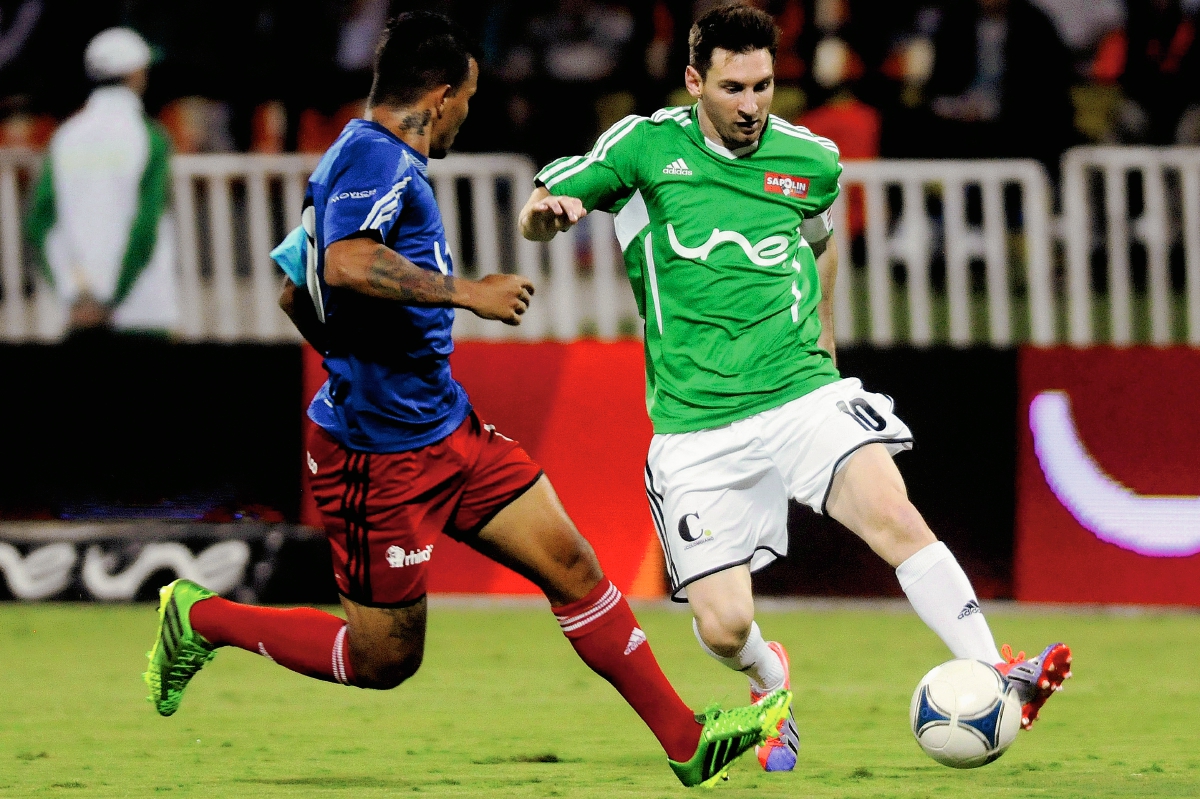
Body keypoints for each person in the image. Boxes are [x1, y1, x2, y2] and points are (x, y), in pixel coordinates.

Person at [143, 12, 788, 789]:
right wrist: (466, 295)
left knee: (574, 566)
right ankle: (200, 617)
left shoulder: (367, 160)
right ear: (442, 96)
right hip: (376, 458)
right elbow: (344, 262)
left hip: (447, 426)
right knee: (384, 659)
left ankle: (686, 740)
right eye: (469, 100)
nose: (467, 115)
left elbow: (292, 286)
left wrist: (359, 355)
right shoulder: (375, 158)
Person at [519, 2, 1072, 774]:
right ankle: (769, 678)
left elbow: (821, 244)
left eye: (764, 85)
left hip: (799, 392)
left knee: (893, 513)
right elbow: (544, 205)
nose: (751, 105)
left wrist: (827, 342)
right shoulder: (646, 147)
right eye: (733, 87)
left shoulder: (808, 159)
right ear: (694, 81)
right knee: (722, 625)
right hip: (696, 424)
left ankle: (995, 667)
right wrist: (552, 214)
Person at [26, 27, 178, 338]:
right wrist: (112, 296)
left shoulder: (65, 136)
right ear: (136, 73)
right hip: (143, 311)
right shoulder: (148, 136)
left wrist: (74, 293)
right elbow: (145, 225)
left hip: (78, 310)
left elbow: (40, 221)